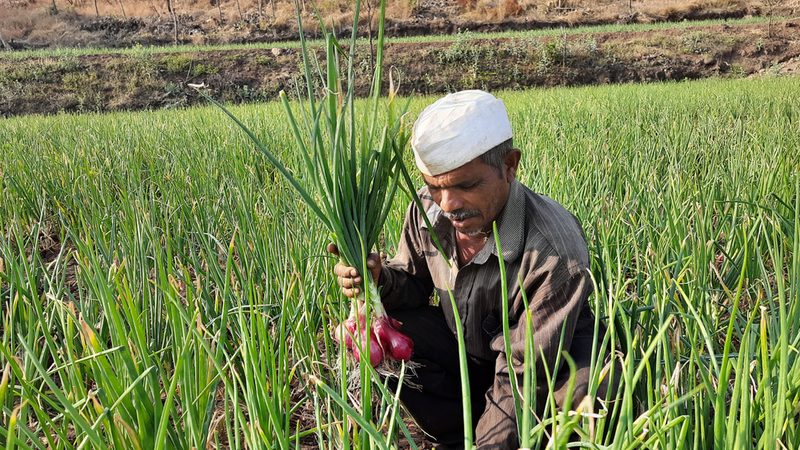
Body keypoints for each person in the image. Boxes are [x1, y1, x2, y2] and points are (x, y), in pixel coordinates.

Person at [330, 90, 611, 448]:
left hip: (546, 360)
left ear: (509, 165)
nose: (449, 204)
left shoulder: (555, 251)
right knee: (388, 339)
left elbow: (524, 375)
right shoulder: (428, 208)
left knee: (588, 391)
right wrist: (379, 279)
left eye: (466, 185)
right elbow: (412, 286)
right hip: (471, 351)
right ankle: (457, 437)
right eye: (436, 186)